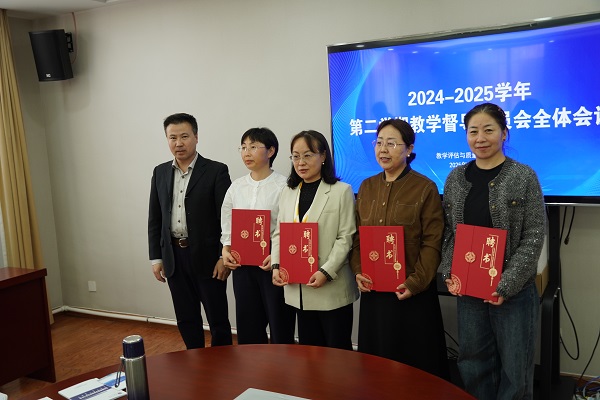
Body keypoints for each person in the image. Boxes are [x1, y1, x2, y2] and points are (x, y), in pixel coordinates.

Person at [441, 103, 546, 399]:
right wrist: (450, 272)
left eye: (488, 130)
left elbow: (534, 236)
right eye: (473, 131)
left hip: (513, 293)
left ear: (504, 133)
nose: (480, 138)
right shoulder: (455, 178)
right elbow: (450, 234)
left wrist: (506, 284)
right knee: (473, 364)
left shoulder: (523, 176)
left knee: (515, 371)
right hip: (470, 292)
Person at [350, 119, 450, 380]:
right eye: (379, 142)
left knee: (415, 369)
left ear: (409, 149)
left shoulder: (425, 187)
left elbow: (432, 241)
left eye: (392, 143)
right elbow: (357, 236)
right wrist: (358, 270)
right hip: (374, 289)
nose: (383, 149)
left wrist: (415, 282)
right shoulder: (367, 187)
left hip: (410, 292)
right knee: (377, 368)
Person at [148, 112, 233, 349]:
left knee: (217, 318)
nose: (178, 143)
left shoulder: (216, 171)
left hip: (209, 258)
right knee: (186, 317)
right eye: (172, 137)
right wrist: (156, 258)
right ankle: (193, 360)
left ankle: (223, 362)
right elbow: (155, 218)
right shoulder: (160, 172)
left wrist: (223, 256)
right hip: (174, 256)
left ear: (196, 137)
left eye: (184, 136)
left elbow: (227, 218)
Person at [271, 130, 359, 350]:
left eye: (308, 155)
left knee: (337, 352)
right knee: (310, 355)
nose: (301, 162)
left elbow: (346, 237)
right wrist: (276, 265)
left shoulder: (341, 191)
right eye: (296, 156)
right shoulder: (288, 191)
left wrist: (326, 272)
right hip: (299, 287)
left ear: (323, 156)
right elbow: (279, 233)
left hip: (331, 286)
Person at [220, 127, 296, 344]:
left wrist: (277, 256)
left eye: (253, 147)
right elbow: (227, 222)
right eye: (243, 147)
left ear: (271, 151)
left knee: (280, 322)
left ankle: (283, 363)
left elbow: (290, 224)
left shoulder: (284, 186)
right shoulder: (236, 186)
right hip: (242, 264)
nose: (247, 152)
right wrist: (226, 248)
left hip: (273, 263)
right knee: (248, 324)